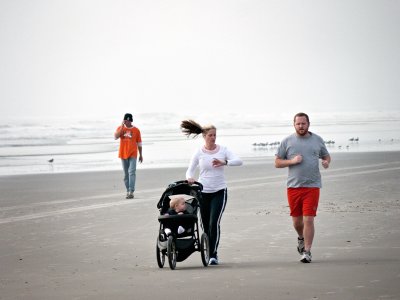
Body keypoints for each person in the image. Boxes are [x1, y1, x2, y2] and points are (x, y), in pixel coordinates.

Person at [181, 119, 243, 265]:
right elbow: (190, 170)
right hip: (202, 192)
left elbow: (239, 161)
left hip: (219, 191)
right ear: (204, 136)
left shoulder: (223, 150)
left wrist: (225, 162)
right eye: (210, 135)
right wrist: (189, 178)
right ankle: (208, 250)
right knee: (205, 224)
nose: (213, 137)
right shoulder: (198, 152)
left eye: (215, 135)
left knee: (214, 223)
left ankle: (213, 254)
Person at [275, 112, 331, 263]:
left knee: (308, 220)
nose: (301, 126)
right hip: (293, 187)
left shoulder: (317, 140)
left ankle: (307, 251)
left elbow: (326, 156)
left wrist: (326, 162)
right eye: (298, 123)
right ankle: (301, 237)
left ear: (308, 124)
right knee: (297, 222)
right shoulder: (287, 141)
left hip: (312, 186)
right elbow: (277, 162)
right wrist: (292, 161)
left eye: (303, 123)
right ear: (294, 124)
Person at [114, 113, 143, 199]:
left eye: (126, 120)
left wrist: (141, 155)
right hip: (123, 154)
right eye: (124, 120)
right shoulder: (120, 128)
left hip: (133, 154)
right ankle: (128, 191)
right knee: (126, 175)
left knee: (132, 172)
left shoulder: (136, 130)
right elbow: (116, 137)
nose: (125, 122)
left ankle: (131, 191)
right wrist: (122, 127)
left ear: (130, 120)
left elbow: (139, 143)